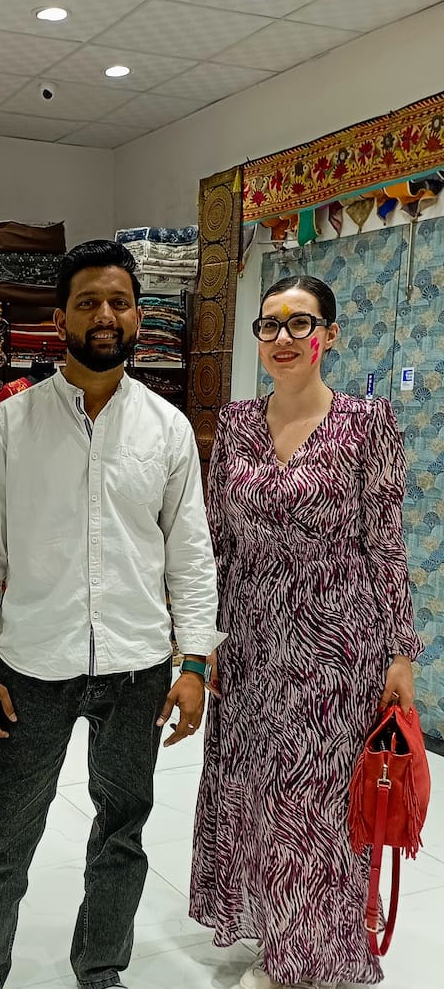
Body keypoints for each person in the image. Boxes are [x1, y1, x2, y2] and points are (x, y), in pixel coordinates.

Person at [0, 238, 223, 989]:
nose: (106, 315)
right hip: (31, 665)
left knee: (122, 833)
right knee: (0, 843)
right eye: (89, 302)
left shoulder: (166, 428)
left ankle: (101, 970)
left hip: (138, 667)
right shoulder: (12, 425)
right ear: (60, 319)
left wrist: (194, 664)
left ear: (137, 316)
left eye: (119, 302)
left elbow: (190, 556)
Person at [191, 275, 423, 989]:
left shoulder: (366, 422)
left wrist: (401, 653)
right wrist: (203, 642)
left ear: (329, 335)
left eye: (301, 323)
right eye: (270, 325)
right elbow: (216, 541)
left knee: (316, 802)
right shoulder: (235, 424)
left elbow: (385, 542)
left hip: (337, 643)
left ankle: (306, 958)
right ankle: (280, 934)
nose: (284, 338)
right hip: (251, 639)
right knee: (258, 791)